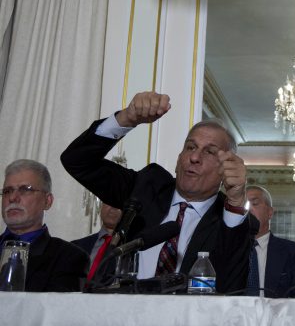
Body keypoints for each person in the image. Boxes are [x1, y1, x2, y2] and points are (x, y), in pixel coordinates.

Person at [61, 91, 258, 294]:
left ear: (226, 168)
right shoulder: (146, 186)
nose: (194, 157)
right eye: (190, 147)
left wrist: (236, 201)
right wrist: (126, 119)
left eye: (209, 151)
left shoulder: (232, 222)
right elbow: (76, 161)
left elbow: (232, 289)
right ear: (178, 158)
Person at [1, 159, 88, 291]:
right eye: (7, 191)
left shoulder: (69, 257)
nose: (12, 198)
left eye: (25, 189)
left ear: (47, 201)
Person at [245, 185, 295, 297]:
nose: (248, 209)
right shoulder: (227, 250)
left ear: (270, 212)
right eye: (243, 205)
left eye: (254, 204)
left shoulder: (294, 252)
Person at [72, 202, 122, 282]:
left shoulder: (134, 250)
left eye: (119, 204)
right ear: (101, 206)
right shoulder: (74, 247)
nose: (113, 208)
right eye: (109, 201)